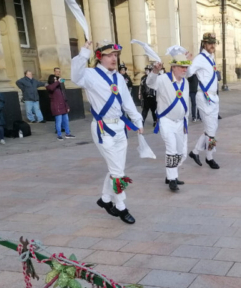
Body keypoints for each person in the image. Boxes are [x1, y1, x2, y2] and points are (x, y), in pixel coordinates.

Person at [71, 40, 144, 225]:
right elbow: (75, 76)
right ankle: (121, 207)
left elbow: (127, 101)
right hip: (103, 128)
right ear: (99, 57)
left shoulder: (119, 77)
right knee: (117, 171)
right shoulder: (89, 74)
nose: (114, 58)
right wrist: (83, 54)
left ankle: (104, 199)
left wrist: (137, 120)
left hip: (120, 127)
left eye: (116, 55)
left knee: (116, 168)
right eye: (110, 55)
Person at [148, 47, 191, 192]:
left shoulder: (185, 82)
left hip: (181, 122)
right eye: (182, 67)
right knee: (171, 149)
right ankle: (172, 179)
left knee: (181, 152)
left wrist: (186, 119)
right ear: (173, 67)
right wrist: (155, 71)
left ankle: (171, 174)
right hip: (166, 121)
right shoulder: (162, 79)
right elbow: (149, 83)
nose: (185, 70)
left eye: (186, 67)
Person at [187, 32, 221, 170]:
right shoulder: (200, 58)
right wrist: (187, 61)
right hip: (204, 97)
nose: (212, 45)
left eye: (213, 43)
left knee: (211, 128)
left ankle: (195, 152)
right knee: (211, 130)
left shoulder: (211, 57)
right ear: (204, 44)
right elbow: (189, 73)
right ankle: (209, 157)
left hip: (213, 97)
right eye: (209, 43)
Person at [46, 74, 75, 140]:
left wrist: (67, 106)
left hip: (63, 106)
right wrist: (58, 82)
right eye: (54, 79)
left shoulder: (59, 88)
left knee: (66, 121)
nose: (56, 80)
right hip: (56, 107)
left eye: (56, 79)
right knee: (58, 121)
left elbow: (64, 98)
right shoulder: (49, 87)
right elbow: (51, 88)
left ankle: (68, 133)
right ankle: (59, 135)